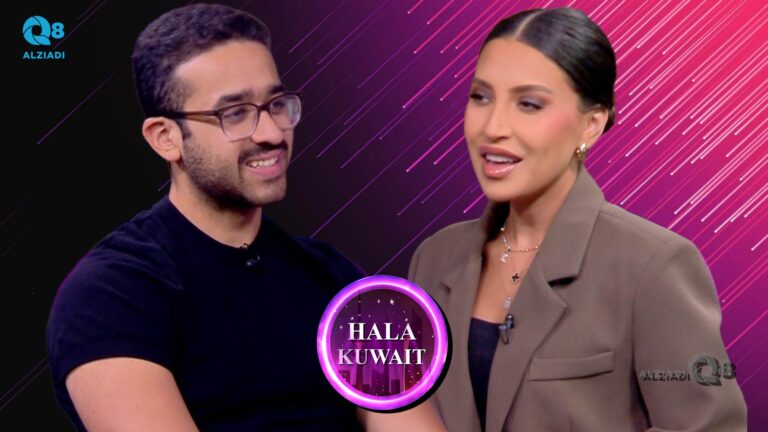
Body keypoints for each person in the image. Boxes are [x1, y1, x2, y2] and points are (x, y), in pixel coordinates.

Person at [404, 7, 748, 432]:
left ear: (591, 124)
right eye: (481, 97)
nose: (493, 127)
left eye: (529, 104)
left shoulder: (653, 266)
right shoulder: (434, 258)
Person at [46, 4, 364, 431]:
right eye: (235, 113)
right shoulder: (111, 294)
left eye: (276, 104)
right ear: (166, 138)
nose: (272, 133)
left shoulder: (334, 276)